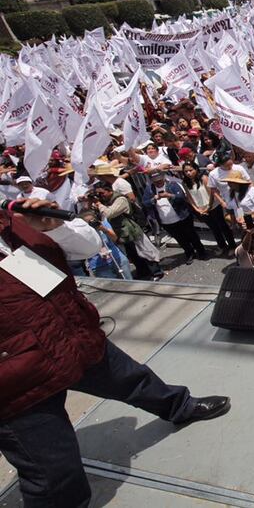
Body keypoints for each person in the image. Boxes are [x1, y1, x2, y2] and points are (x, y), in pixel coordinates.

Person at [0, 198, 230, 508]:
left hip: (70, 338)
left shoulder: (12, 222)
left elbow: (88, 247)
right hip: (18, 378)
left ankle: (180, 406)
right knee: (54, 477)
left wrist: (52, 228)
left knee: (134, 379)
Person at [92, 181, 165, 281]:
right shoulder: (106, 201)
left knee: (144, 251)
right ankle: (143, 272)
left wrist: (99, 204)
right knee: (133, 255)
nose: (100, 196)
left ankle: (156, 272)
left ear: (109, 191)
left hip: (131, 229)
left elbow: (109, 213)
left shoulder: (120, 199)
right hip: (121, 232)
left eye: (101, 193)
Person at [141, 171, 208, 265]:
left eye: (160, 180)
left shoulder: (172, 185)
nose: (158, 182)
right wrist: (154, 199)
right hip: (166, 221)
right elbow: (145, 203)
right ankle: (189, 254)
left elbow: (182, 197)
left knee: (192, 235)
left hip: (182, 216)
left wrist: (169, 195)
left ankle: (201, 252)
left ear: (163, 178)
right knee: (180, 239)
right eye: (155, 181)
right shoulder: (150, 190)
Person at [181, 162, 237, 257]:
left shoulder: (204, 178)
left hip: (213, 206)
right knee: (214, 228)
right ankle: (222, 246)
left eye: (190, 170)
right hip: (201, 209)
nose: (188, 173)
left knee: (223, 226)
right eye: (186, 171)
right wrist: (196, 209)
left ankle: (232, 246)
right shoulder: (185, 182)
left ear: (196, 169)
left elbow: (211, 193)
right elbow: (189, 197)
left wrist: (208, 207)